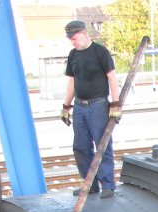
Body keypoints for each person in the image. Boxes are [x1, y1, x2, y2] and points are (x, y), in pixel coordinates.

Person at [61, 20, 121, 199]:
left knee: (102, 145)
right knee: (80, 147)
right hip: (79, 106)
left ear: (85, 33)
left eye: (74, 37)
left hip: (98, 105)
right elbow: (72, 82)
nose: (72, 41)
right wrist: (66, 106)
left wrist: (115, 104)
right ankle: (90, 184)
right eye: (70, 38)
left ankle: (108, 185)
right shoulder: (73, 55)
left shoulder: (100, 52)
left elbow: (112, 79)